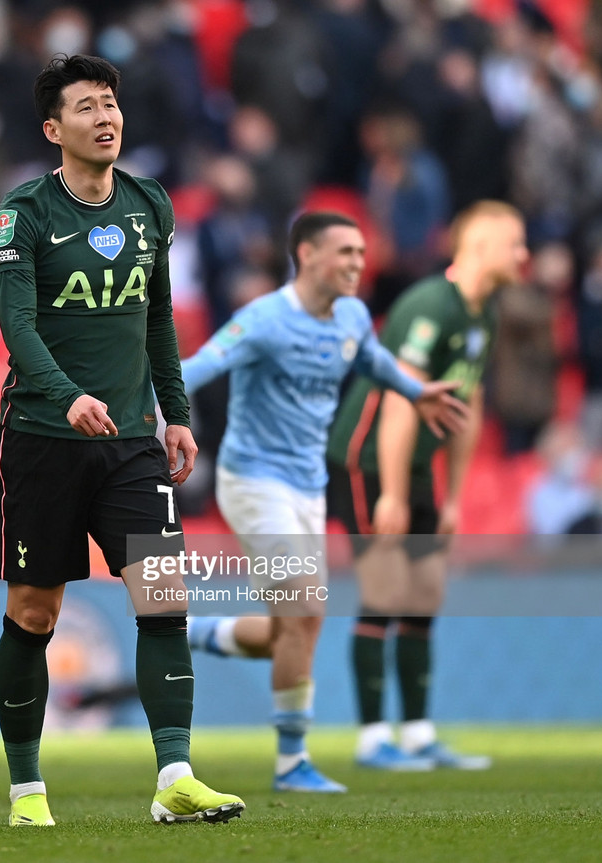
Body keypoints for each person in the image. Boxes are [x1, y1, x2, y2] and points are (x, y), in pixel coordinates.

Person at [0, 53, 243, 828]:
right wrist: (66, 398)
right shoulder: (22, 213)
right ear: (52, 128)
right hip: (41, 437)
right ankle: (27, 792)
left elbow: (158, 316)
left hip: (132, 440)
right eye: (87, 107)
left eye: (111, 103)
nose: (106, 117)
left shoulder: (149, 204)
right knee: (34, 613)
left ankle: (176, 777)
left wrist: (177, 413)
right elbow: (17, 325)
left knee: (165, 603)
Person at [183, 212, 467, 793]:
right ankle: (292, 762)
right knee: (307, 608)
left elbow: (369, 358)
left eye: (362, 253)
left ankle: (188, 629)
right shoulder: (264, 320)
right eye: (346, 253)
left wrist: (416, 392)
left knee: (293, 629)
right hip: (254, 481)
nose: (359, 264)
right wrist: (147, 404)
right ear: (308, 255)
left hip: (309, 487)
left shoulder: (354, 316)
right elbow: (203, 364)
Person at [326, 200, 528, 771]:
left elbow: (467, 403)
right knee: (385, 588)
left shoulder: (482, 313)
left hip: (413, 465)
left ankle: (416, 732)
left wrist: (455, 497)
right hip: (367, 460)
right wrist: (390, 492)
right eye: (515, 243)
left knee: (425, 591)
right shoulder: (429, 306)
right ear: (482, 247)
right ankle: (372, 739)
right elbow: (396, 400)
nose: (525, 255)